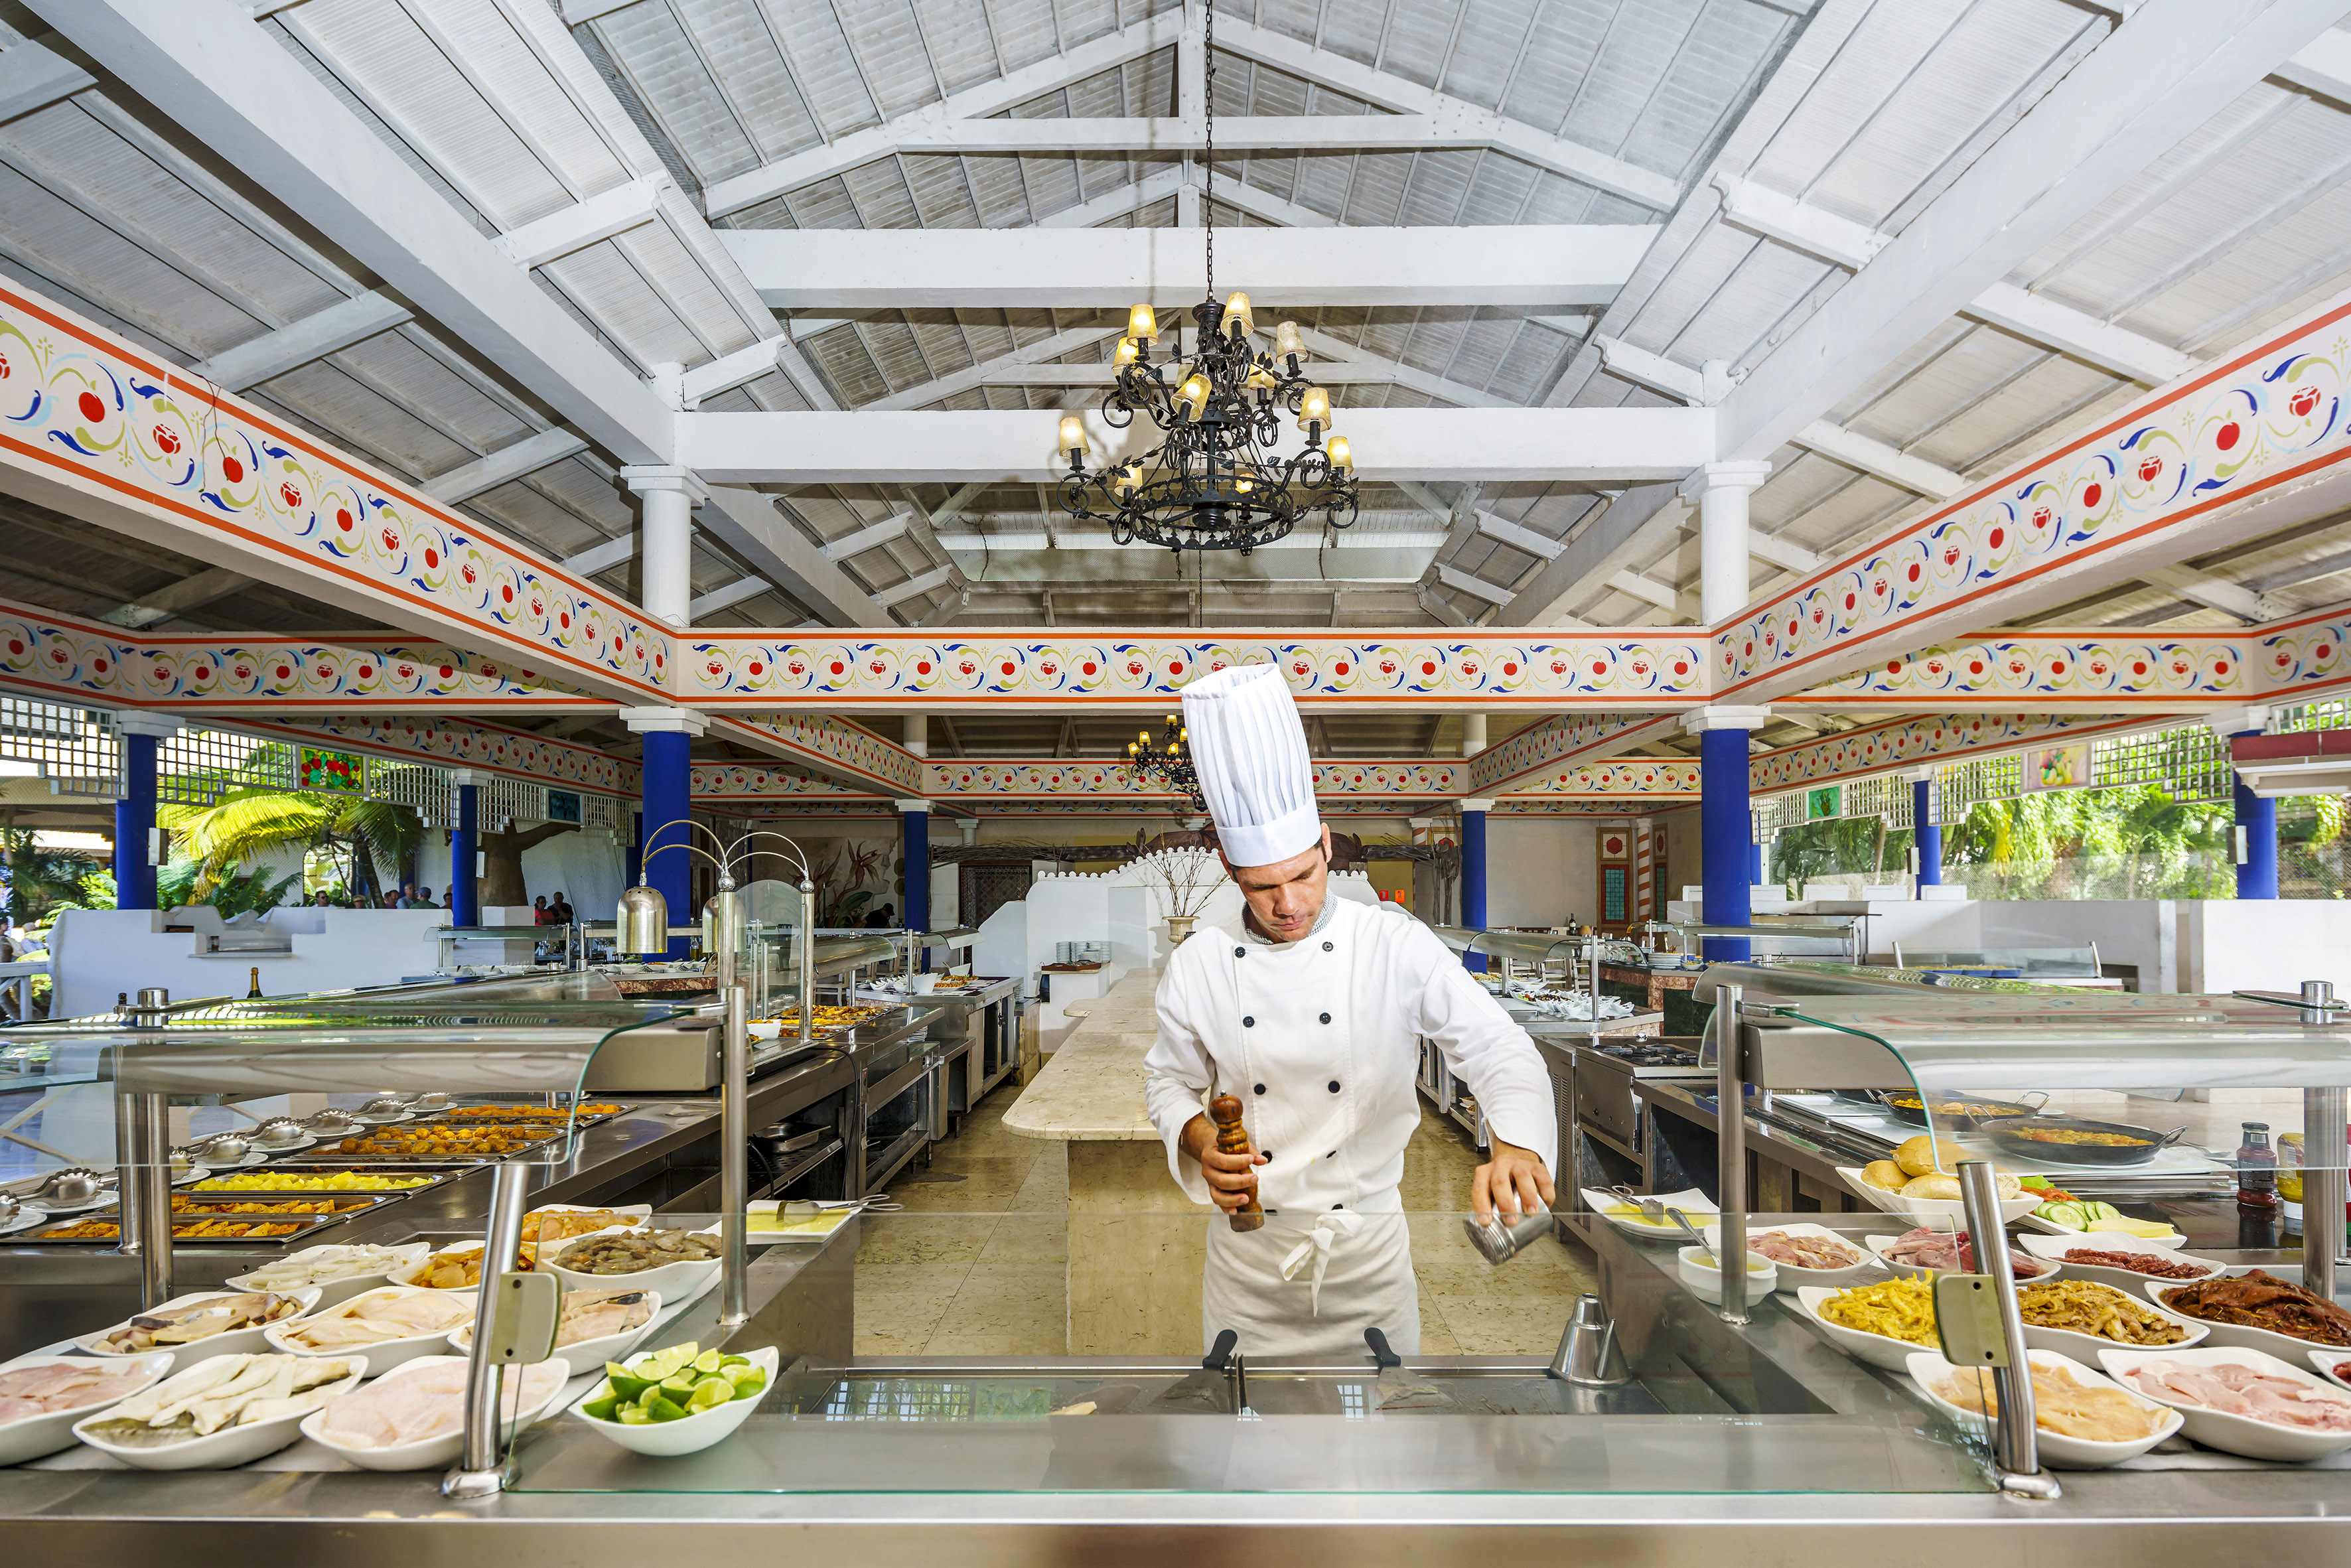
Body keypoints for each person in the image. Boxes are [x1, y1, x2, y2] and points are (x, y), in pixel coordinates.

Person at [1142, 663, 1556, 1358]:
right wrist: (1201, 1142)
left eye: (1303, 874)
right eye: (1262, 885)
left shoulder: (1389, 940)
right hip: (1249, 1264)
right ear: (1229, 870)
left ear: (1327, 844)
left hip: (1367, 1258)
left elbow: (1495, 1043)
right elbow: (1167, 1082)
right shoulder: (1201, 964)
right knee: (1248, 1454)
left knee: (1378, 1454)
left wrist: (1516, 1141)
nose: (1288, 904)